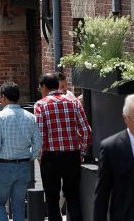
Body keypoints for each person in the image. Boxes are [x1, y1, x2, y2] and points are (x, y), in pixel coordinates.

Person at [34, 72, 91, 221]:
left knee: (52, 200)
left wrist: (40, 156)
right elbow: (86, 130)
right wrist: (82, 152)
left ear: (45, 87)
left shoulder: (41, 104)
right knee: (73, 196)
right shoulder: (74, 102)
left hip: (50, 157)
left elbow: (40, 135)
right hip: (72, 155)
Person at [0, 82, 41, 221]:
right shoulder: (30, 117)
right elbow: (38, 144)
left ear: (4, 97)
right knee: (18, 205)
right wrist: (30, 157)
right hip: (23, 165)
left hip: (3, 165)